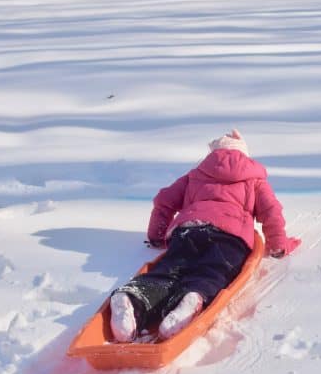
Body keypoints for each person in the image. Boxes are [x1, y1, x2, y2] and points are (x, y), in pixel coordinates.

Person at [109, 129, 301, 342]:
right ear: (244, 154)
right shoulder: (255, 180)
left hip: (188, 229)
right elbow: (271, 212)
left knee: (170, 269)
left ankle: (134, 297)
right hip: (229, 235)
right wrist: (278, 244)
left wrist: (157, 235)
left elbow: (163, 200)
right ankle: (193, 296)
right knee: (214, 269)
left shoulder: (196, 174)